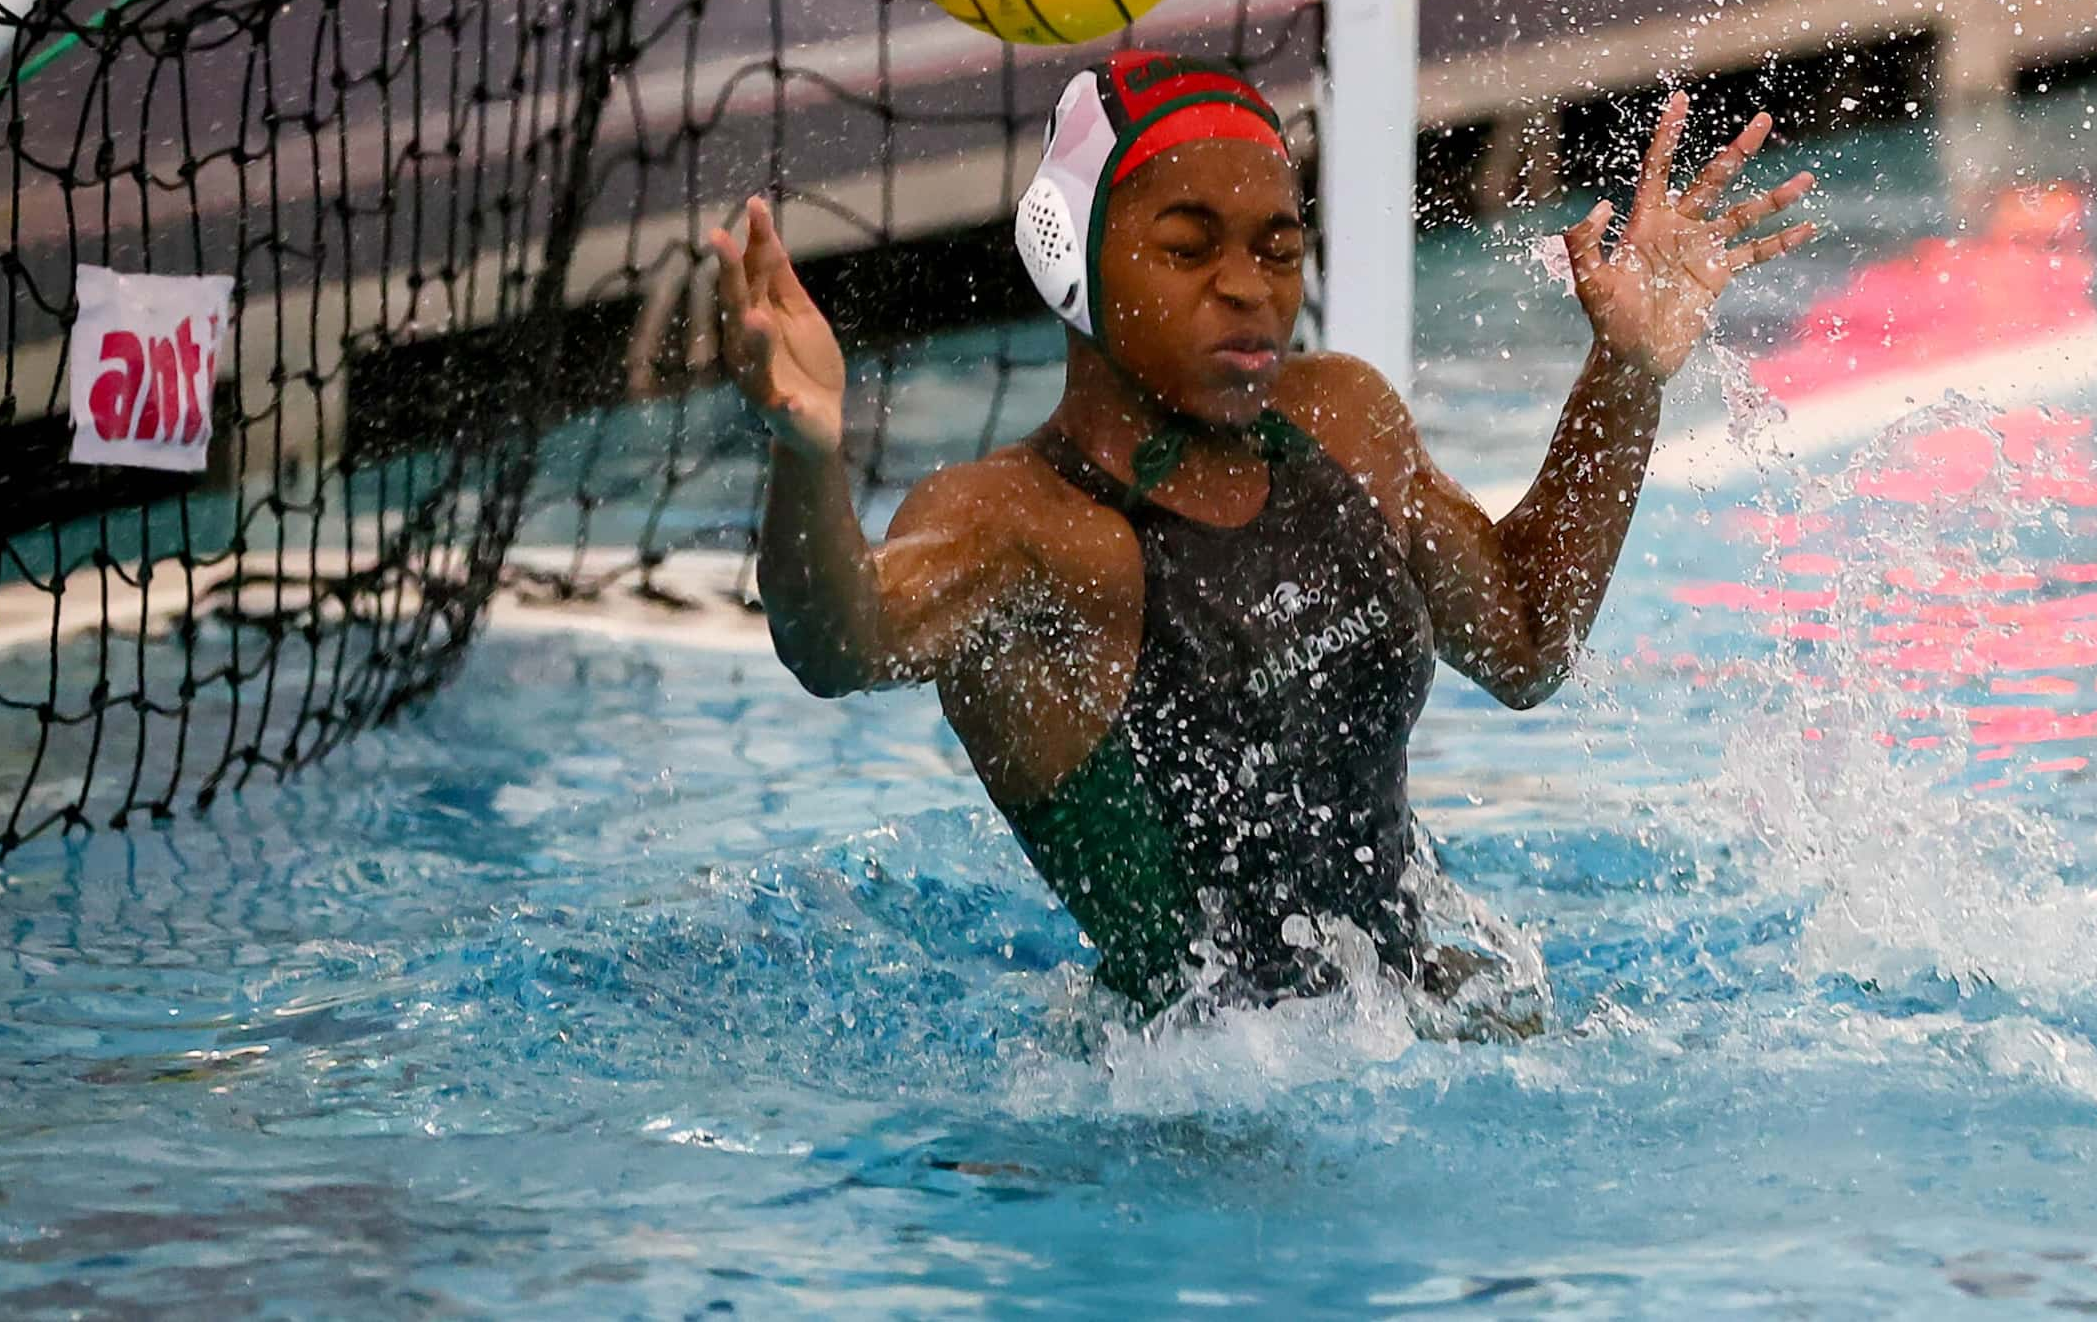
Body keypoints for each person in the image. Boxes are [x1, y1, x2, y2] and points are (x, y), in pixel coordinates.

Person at [707, 52, 1815, 1015]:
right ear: (1067, 256)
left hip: (1420, 1021)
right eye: (1188, 249)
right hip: (1193, 1118)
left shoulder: (1342, 421)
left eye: (1278, 250)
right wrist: (805, 458)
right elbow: (837, 646)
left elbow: (1525, 643)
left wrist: (1624, 374)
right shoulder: (1017, 528)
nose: (1246, 289)